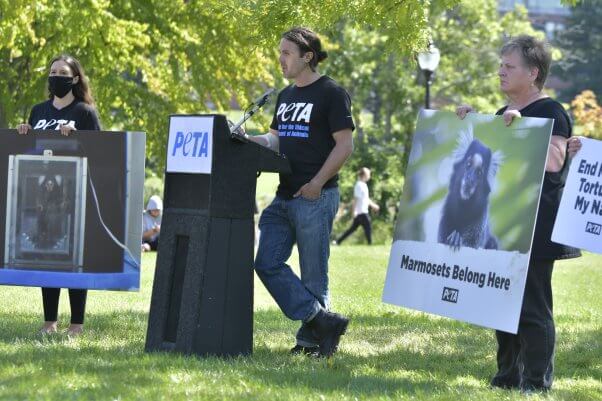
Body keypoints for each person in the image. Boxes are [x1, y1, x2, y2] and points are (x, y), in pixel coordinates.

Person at [457, 35, 580, 393]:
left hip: (536, 226)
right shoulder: (502, 114)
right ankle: (507, 377)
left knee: (532, 307)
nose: (500, 72)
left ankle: (536, 382)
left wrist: (520, 129)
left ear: (533, 73)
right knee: (501, 306)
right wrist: (469, 123)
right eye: (501, 65)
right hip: (503, 224)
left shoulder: (551, 112)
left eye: (509, 67)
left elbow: (555, 161)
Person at [248, 27, 354, 357]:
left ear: (307, 56)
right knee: (266, 262)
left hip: (316, 196)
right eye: (279, 52)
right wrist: (245, 140)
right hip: (284, 196)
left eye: (286, 53)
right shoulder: (285, 95)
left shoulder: (332, 93)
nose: (280, 59)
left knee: (314, 274)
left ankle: (311, 343)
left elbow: (345, 145)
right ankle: (322, 321)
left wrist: (318, 183)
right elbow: (276, 140)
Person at [17, 54, 101, 336]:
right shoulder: (38, 111)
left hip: (73, 196)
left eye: (62, 72)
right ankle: (49, 322)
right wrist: (24, 133)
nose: (56, 76)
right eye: (53, 71)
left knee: (74, 258)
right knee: (47, 253)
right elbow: (30, 152)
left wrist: (79, 136)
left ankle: (76, 324)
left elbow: (100, 153)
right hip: (41, 198)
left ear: (75, 79)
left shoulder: (84, 113)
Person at [335, 167, 380, 245]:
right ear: (364, 175)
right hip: (360, 212)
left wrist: (373, 205)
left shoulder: (364, 185)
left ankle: (338, 241)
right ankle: (370, 244)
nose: (369, 175)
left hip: (362, 211)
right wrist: (354, 211)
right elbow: (355, 199)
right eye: (368, 174)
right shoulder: (358, 185)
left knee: (352, 229)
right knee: (368, 226)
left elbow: (366, 199)